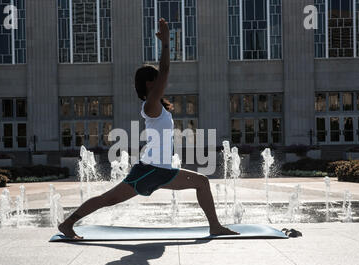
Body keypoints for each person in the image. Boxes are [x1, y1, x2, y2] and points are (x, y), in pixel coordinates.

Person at [58, 18, 238, 239]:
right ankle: (68, 224)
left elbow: (163, 75)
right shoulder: (150, 105)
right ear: (149, 84)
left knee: (202, 183)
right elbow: (165, 71)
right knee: (108, 200)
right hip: (151, 170)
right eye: (156, 80)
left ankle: (215, 226)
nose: (162, 83)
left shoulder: (157, 107)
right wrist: (165, 44)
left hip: (161, 171)